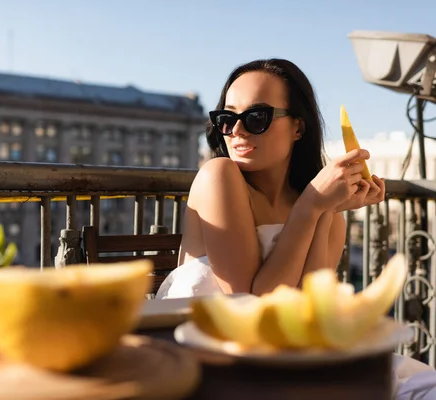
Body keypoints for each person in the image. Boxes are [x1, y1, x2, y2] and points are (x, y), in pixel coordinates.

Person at [156, 58, 436, 399]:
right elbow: (255, 308)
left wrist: (325, 211)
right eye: (227, 119)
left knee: (419, 384)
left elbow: (304, 311)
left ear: (298, 127)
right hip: (204, 362)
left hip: (284, 362)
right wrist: (312, 206)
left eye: (256, 117)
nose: (238, 131)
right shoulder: (220, 175)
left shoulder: (317, 198)